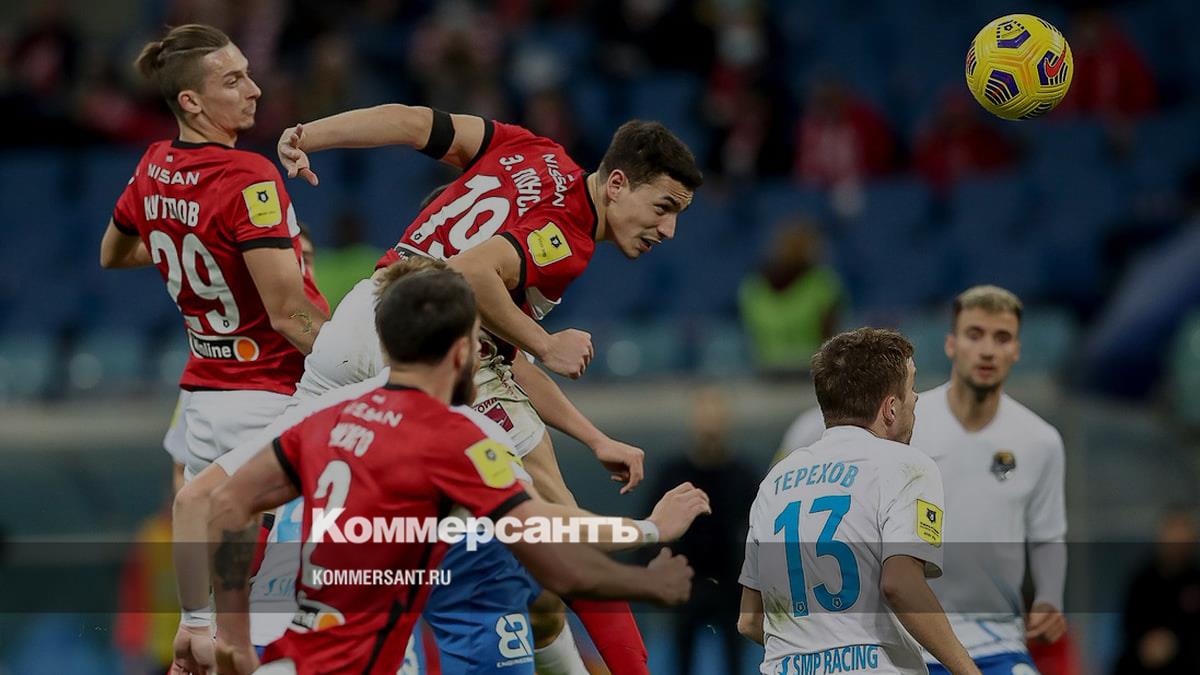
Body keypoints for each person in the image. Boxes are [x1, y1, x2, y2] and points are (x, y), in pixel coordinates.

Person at [275, 102, 703, 673]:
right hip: (438, 342)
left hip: (362, 315)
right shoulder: (567, 237)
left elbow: (414, 122)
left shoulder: (531, 149)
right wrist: (548, 344)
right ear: (617, 184)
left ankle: (218, 631)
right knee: (560, 528)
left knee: (275, 489)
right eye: (664, 208)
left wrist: (309, 134)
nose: (669, 230)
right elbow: (473, 276)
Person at [171, 258, 711, 674]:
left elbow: (224, 503)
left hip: (282, 658)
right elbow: (546, 535)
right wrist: (650, 528)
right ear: (461, 352)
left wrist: (225, 632)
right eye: (479, 342)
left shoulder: (322, 413)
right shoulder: (460, 438)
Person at [98, 24, 329, 484]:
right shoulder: (248, 175)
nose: (254, 89)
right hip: (271, 396)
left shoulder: (153, 164)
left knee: (205, 522)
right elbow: (288, 314)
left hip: (204, 400)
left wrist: (209, 244)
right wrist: (360, 366)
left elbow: (113, 254)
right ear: (191, 102)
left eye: (248, 74)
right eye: (233, 81)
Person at [739, 328, 981, 675]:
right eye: (911, 387)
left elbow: (750, 619)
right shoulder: (906, 465)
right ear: (891, 408)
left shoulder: (776, 480)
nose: (916, 399)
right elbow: (901, 585)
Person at [911, 286, 1067, 674]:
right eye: (975, 334)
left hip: (998, 639)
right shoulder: (908, 426)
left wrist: (1049, 597)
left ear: (1016, 350)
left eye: (1002, 338)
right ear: (951, 344)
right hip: (912, 641)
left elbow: (1048, 535)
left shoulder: (1041, 441)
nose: (987, 351)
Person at [647, 387, 759, 674]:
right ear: (694, 423)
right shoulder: (672, 474)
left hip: (732, 587)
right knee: (680, 660)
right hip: (685, 584)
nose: (710, 429)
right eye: (705, 420)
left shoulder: (744, 476)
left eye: (715, 420)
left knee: (736, 661)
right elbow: (651, 529)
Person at [1112, 507, 1200, 675]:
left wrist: (1175, 643)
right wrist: (1148, 645)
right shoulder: (1142, 581)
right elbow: (1128, 626)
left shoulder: (1195, 581)